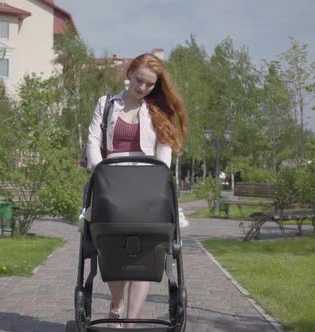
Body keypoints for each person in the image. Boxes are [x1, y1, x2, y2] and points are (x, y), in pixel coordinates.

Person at [85, 53, 188, 327]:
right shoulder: (106, 105)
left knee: (147, 252)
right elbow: (93, 140)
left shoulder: (158, 112)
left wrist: (159, 177)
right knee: (112, 249)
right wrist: (99, 170)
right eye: (139, 80)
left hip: (147, 187)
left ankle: (130, 323)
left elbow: (165, 150)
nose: (142, 88)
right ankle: (117, 304)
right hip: (111, 186)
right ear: (129, 73)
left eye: (149, 84)